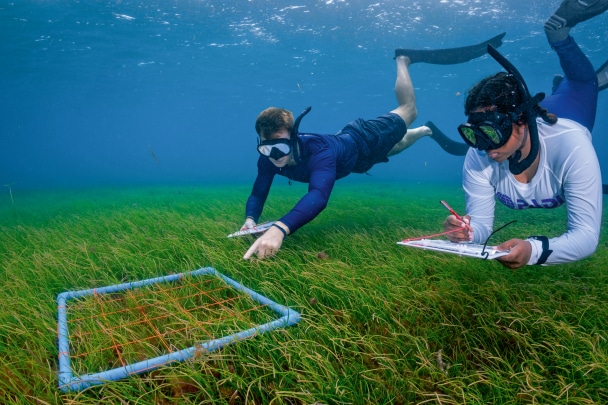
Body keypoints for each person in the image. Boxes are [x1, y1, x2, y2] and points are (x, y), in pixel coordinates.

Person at [240, 34, 507, 260]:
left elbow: (318, 196)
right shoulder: (268, 158)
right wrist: (251, 218)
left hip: (363, 137)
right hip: (355, 162)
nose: (275, 157)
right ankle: (426, 131)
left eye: (281, 149)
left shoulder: (319, 152)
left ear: (294, 138)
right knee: (398, 146)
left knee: (409, 110)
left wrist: (280, 228)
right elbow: (259, 190)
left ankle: (403, 59)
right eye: (267, 150)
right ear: (260, 145)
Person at [443, 0, 607, 269]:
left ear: (521, 121)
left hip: (569, 116)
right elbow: (481, 225)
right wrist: (467, 231)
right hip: (533, 116)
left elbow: (586, 237)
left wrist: (532, 250)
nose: (485, 147)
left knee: (584, 84)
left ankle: (560, 35)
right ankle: (558, 87)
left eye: (491, 132)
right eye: (475, 134)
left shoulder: (572, 146)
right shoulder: (479, 154)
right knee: (566, 90)